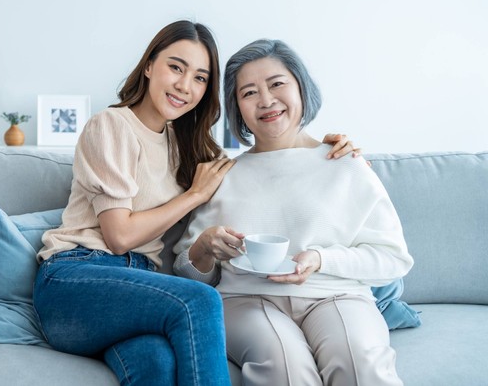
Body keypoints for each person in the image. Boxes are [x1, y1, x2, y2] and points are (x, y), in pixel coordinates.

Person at [33, 20, 358, 386]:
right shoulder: (111, 125)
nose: (185, 86)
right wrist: (194, 196)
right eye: (176, 67)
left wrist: (323, 149)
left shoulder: (189, 147)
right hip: (76, 281)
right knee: (200, 301)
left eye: (201, 78)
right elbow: (118, 236)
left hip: (138, 289)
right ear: (149, 66)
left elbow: (264, 167)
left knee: (156, 363)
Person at [173, 39, 414, 386]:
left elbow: (393, 259)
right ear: (236, 107)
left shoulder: (345, 164)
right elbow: (188, 276)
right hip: (246, 300)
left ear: (301, 88)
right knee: (284, 367)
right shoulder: (222, 176)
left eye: (276, 84)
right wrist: (204, 249)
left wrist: (321, 259)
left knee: (361, 364)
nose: (266, 100)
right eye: (249, 92)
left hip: (337, 295)